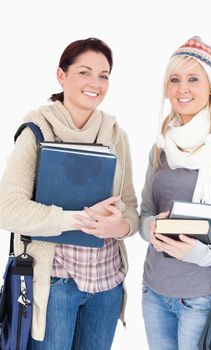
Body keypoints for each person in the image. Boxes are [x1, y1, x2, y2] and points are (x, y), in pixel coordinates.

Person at [0, 37, 138, 350]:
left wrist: (121, 226)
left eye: (104, 75)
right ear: (61, 76)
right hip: (55, 284)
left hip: (107, 285)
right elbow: (7, 209)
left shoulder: (117, 135)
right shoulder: (37, 131)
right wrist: (77, 220)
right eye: (85, 72)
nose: (95, 83)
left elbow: (130, 206)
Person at [139, 36, 211, 350]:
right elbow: (146, 210)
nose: (183, 89)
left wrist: (199, 254)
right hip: (153, 291)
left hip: (201, 297)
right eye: (174, 79)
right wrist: (149, 227)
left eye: (193, 79)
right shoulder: (161, 145)